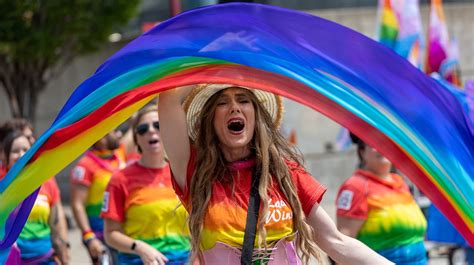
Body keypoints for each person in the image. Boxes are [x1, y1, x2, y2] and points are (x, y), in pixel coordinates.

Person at [158, 84, 392, 264]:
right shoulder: (195, 173)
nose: (235, 107)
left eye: (243, 100)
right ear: (210, 119)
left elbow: (335, 241)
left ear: (256, 116)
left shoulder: (286, 173)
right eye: (222, 102)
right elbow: (169, 100)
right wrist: (218, 59)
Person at [101, 105, 191, 264]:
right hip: (138, 260)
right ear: (137, 140)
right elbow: (110, 234)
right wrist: (141, 248)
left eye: (158, 125)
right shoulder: (120, 179)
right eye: (143, 129)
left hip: (183, 260)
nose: (151, 131)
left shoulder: (183, 173)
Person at [335, 133, 427, 265]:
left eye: (385, 143)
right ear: (362, 151)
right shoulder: (355, 187)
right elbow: (343, 245)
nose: (381, 148)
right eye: (374, 144)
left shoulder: (400, 183)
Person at [3, 131, 70, 264]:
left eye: (26, 150)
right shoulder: (3, 188)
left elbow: (55, 223)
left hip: (46, 259)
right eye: (15, 151)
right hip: (14, 260)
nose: (22, 155)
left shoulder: (46, 182)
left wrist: (63, 252)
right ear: (6, 157)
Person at [70, 131, 127, 264]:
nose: (118, 134)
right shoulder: (85, 165)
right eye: (112, 131)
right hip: (101, 237)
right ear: (99, 136)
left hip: (124, 232)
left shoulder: (119, 156)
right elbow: (77, 204)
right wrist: (89, 236)